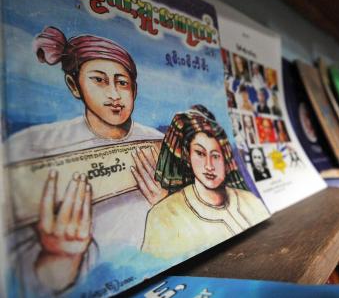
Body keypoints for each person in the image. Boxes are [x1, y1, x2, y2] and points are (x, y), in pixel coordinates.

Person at [8, 26, 166, 294]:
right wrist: (60, 257)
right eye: (99, 80)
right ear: (74, 85)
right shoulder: (36, 146)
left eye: (122, 82)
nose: (115, 95)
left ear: (134, 90)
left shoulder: (157, 144)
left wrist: (169, 207)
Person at [141, 105, 268, 259]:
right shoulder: (164, 216)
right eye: (200, 153)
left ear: (226, 158)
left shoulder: (250, 201)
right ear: (188, 157)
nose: (209, 166)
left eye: (215, 155)